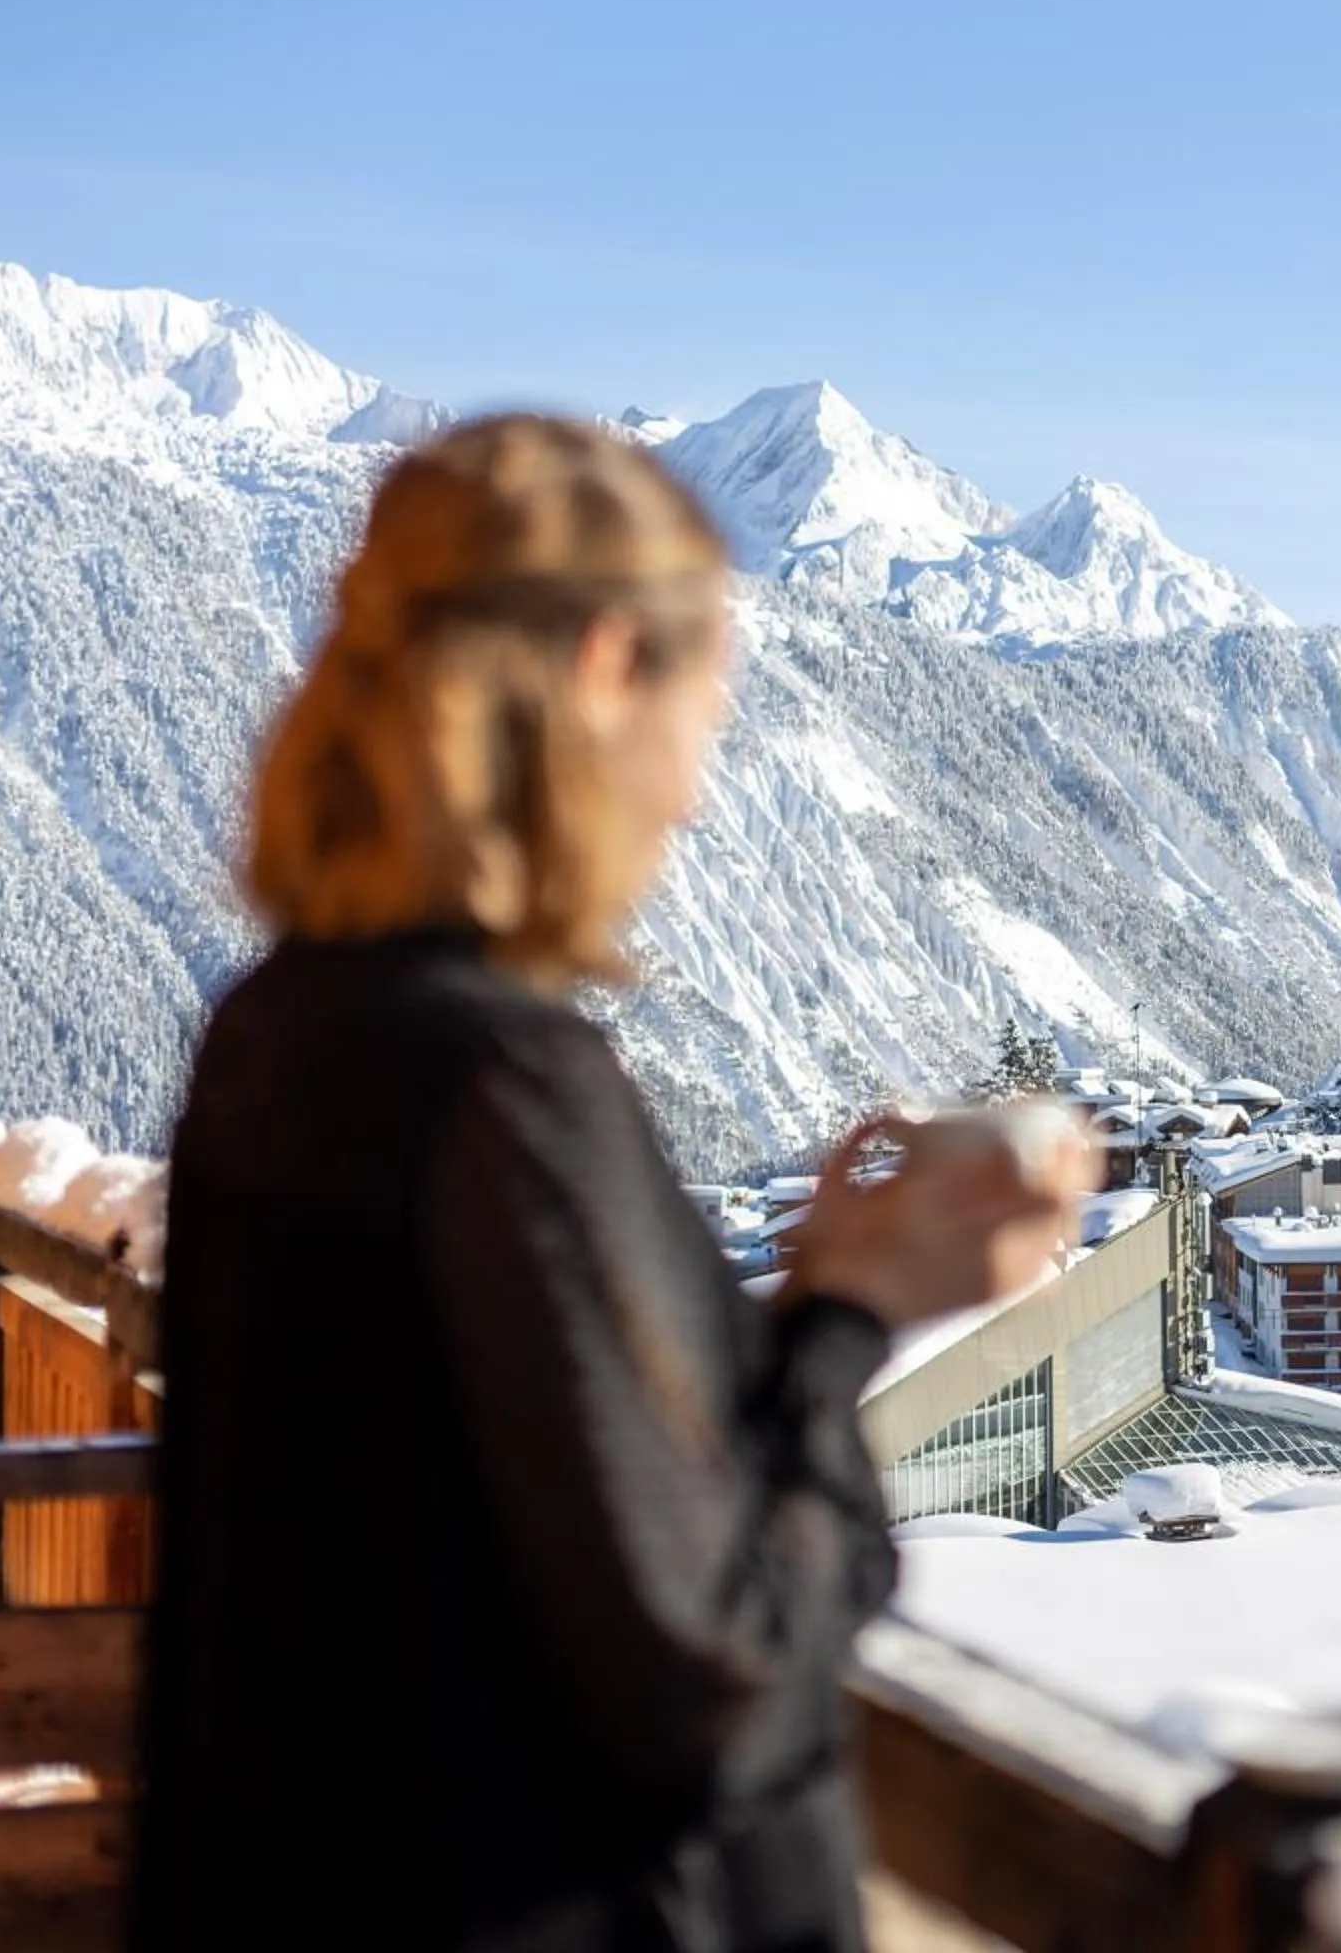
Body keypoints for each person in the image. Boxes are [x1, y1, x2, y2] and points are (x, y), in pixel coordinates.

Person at [137, 415, 1098, 1949]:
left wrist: (808, 1298)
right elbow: (713, 1677)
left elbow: (523, 1503)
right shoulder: (503, 1089)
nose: (695, 793)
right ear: (603, 669)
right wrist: (853, 1316)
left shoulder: (280, 1033)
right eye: (704, 711)